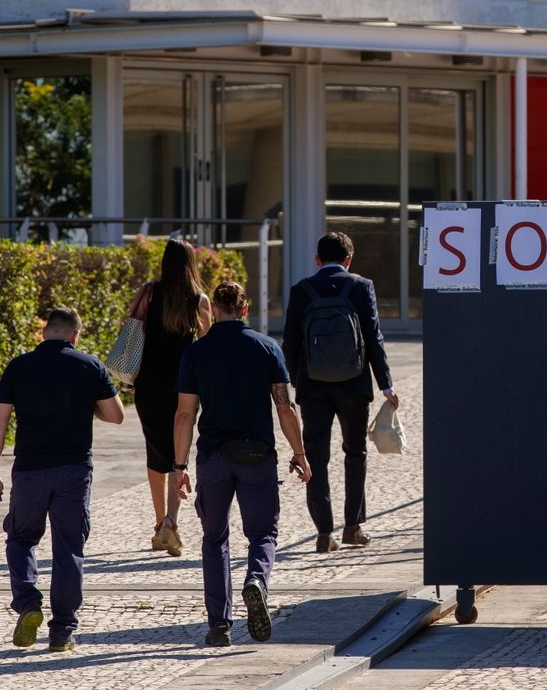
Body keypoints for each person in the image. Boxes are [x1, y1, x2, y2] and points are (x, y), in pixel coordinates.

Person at [171, 281, 312, 648]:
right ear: (245, 308)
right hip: (257, 456)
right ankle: (256, 581)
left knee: (214, 539)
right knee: (263, 534)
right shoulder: (267, 348)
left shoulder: (196, 353)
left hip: (214, 458)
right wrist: (299, 452)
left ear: (214, 309)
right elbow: (284, 406)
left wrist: (178, 464)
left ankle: (219, 626)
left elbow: (184, 415)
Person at [0, 307, 123, 653]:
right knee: (68, 548)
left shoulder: (19, 366)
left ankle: (29, 603)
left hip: (30, 469)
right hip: (74, 470)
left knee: (21, 538)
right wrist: (84, 402)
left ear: (44, 332)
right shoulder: (90, 366)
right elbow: (116, 415)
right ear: (75, 335)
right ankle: (62, 631)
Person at [282, 231, 399, 554]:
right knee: (355, 452)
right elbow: (373, 338)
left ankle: (323, 533)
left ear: (317, 260)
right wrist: (386, 384)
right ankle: (352, 527)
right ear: (349, 260)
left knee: (316, 456)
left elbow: (290, 342)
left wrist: (294, 382)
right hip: (354, 383)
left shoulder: (301, 290)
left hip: (313, 386)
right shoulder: (361, 287)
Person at [130, 238, 212, 557]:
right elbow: (206, 347)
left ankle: (157, 522)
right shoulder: (199, 300)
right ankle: (171, 523)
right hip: (184, 387)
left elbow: (133, 328)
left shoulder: (150, 292)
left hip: (148, 384)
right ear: (191, 263)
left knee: (155, 454)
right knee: (179, 453)